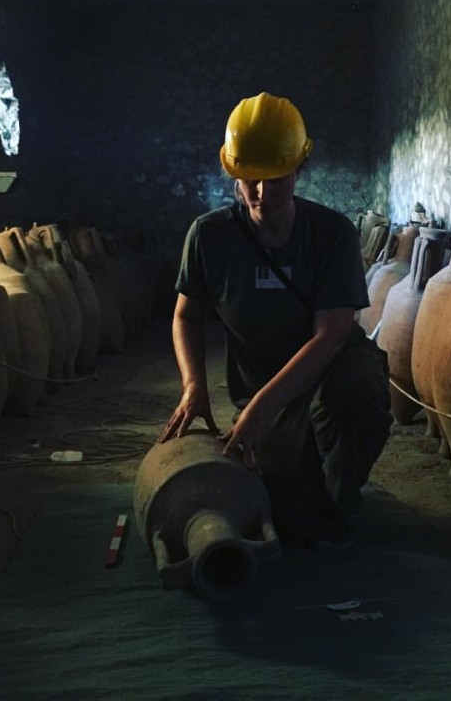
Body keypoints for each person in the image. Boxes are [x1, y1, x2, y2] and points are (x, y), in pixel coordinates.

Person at [159, 91, 392, 548]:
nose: (262, 193)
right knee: (289, 518)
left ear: (299, 169)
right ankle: (309, 482)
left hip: (332, 370)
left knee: (353, 400)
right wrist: (193, 387)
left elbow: (331, 335)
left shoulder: (331, 234)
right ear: (234, 173)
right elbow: (185, 317)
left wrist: (261, 410)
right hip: (266, 386)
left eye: (277, 178)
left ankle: (342, 503)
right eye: (251, 180)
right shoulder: (209, 236)